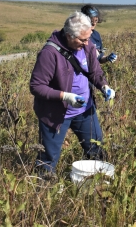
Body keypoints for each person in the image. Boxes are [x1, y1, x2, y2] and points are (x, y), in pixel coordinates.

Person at [30, 11, 116, 174]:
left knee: (96, 149)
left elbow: (94, 72)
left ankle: (96, 184)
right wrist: (65, 96)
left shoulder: (88, 45)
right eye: (82, 39)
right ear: (69, 35)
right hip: (55, 114)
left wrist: (104, 86)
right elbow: (36, 86)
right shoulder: (50, 53)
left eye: (88, 38)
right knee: (48, 159)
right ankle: (42, 189)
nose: (87, 43)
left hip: (85, 111)